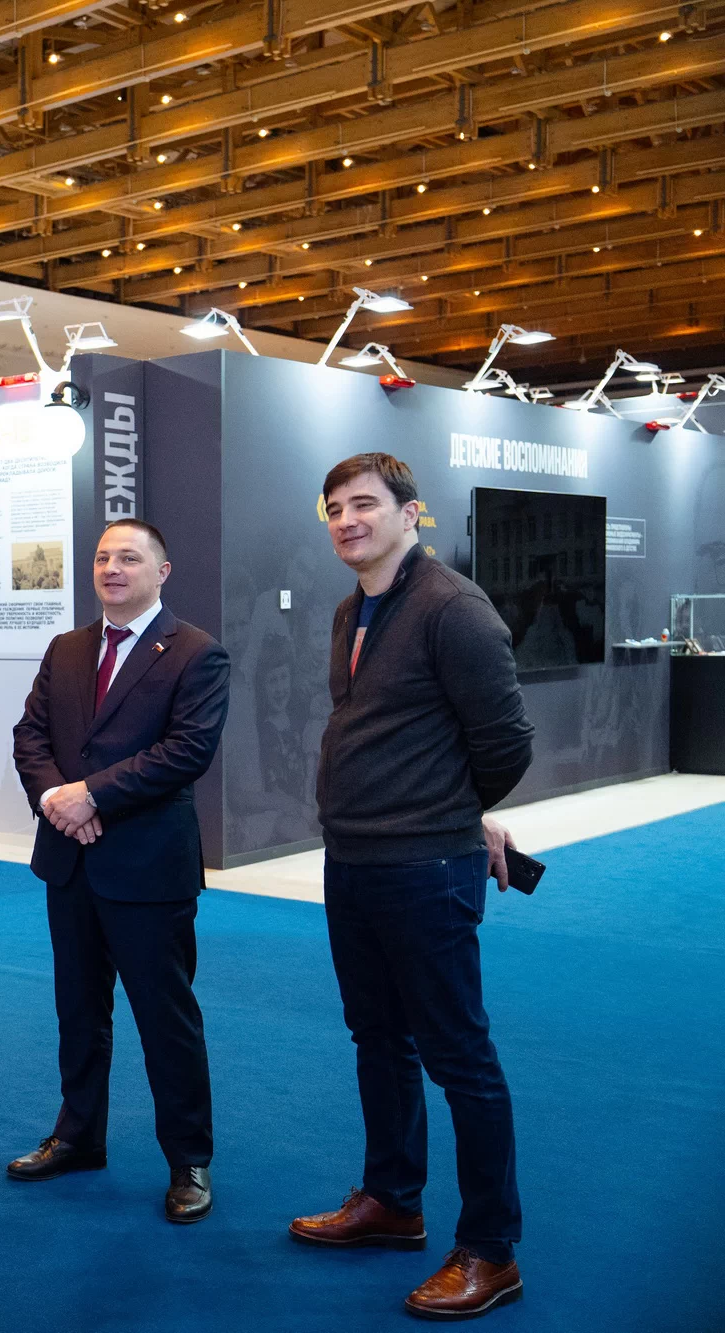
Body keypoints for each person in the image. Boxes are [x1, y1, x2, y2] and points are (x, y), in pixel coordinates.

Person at [291, 453, 534, 1321]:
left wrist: (456, 813)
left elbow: (505, 743)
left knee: (460, 1057)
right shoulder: (351, 608)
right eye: (333, 508)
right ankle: (393, 1201)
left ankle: (490, 1249)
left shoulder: (453, 609)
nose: (346, 520)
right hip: (353, 861)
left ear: (411, 513)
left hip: (426, 869)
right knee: (377, 1037)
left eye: (364, 503)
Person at [8, 519, 230, 1224]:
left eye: (129, 557)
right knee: (78, 1011)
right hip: (71, 862)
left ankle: (188, 1160)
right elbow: (30, 735)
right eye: (104, 556)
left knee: (166, 1020)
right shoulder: (67, 648)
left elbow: (187, 750)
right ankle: (78, 1136)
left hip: (148, 869)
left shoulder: (195, 652)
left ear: (162, 572)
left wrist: (92, 796)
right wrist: (57, 798)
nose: (112, 568)